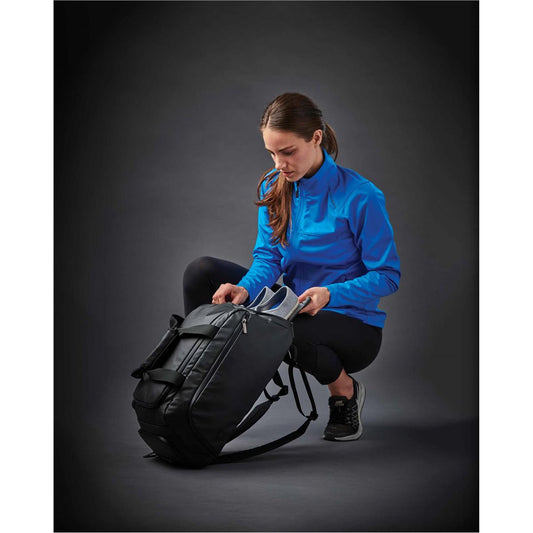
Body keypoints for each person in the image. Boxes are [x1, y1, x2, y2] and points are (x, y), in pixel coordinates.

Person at [183, 92, 400, 441]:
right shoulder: (275, 186)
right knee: (202, 272)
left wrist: (329, 294)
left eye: (287, 152)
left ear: (316, 137)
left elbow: (387, 276)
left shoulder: (361, 196)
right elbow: (268, 259)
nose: (279, 164)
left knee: (285, 327)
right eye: (271, 153)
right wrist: (244, 288)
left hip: (352, 326)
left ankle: (344, 391)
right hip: (293, 310)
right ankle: (195, 384)